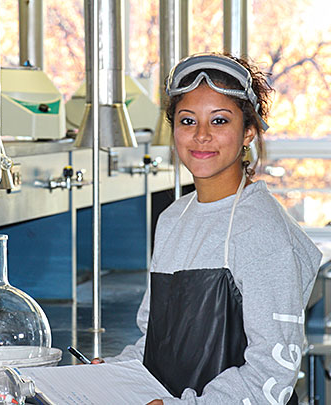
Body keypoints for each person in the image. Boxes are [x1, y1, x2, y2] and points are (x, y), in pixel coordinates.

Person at [101, 53, 323, 404]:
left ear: (249, 132)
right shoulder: (172, 219)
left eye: (219, 121)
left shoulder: (262, 231)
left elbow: (272, 371)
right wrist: (112, 374)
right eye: (187, 121)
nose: (201, 135)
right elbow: (156, 344)